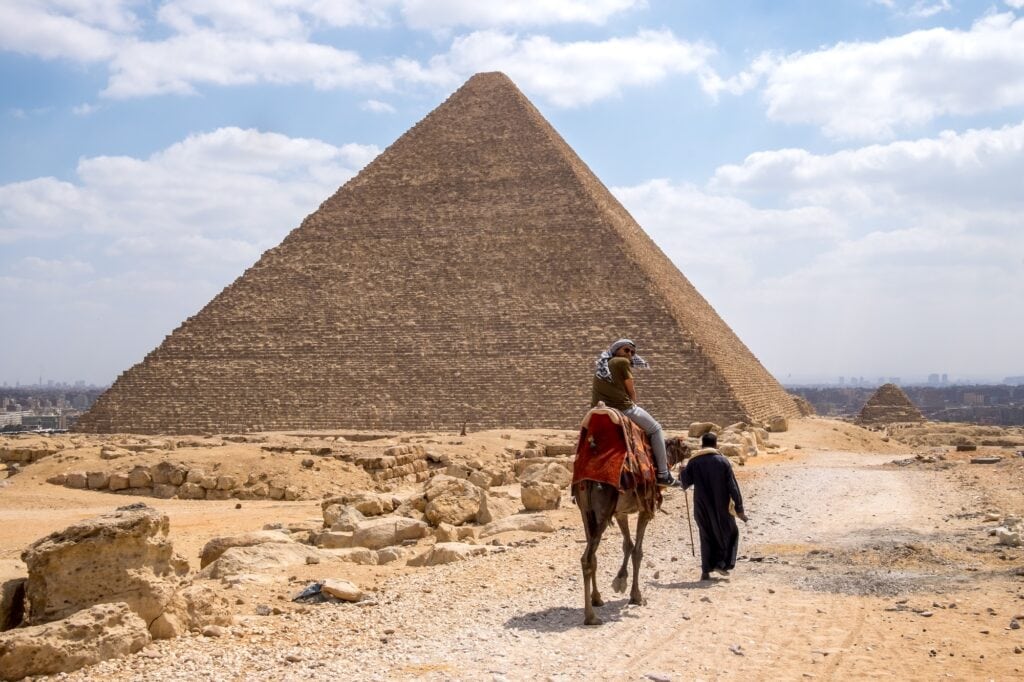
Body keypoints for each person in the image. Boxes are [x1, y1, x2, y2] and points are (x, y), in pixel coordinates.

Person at [591, 338, 675, 486]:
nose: (630, 354)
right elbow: (631, 390)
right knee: (656, 429)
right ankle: (663, 474)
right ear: (616, 350)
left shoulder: (602, 366)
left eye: (632, 352)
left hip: (598, 409)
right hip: (622, 407)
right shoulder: (621, 362)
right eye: (626, 350)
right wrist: (633, 403)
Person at [679, 432, 748, 580]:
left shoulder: (694, 462)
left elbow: (684, 483)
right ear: (716, 444)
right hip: (721, 506)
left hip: (701, 506)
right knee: (730, 532)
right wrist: (739, 509)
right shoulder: (722, 461)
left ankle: (706, 571)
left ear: (702, 445)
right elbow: (733, 487)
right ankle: (721, 564)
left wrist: (682, 471)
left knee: (706, 535)